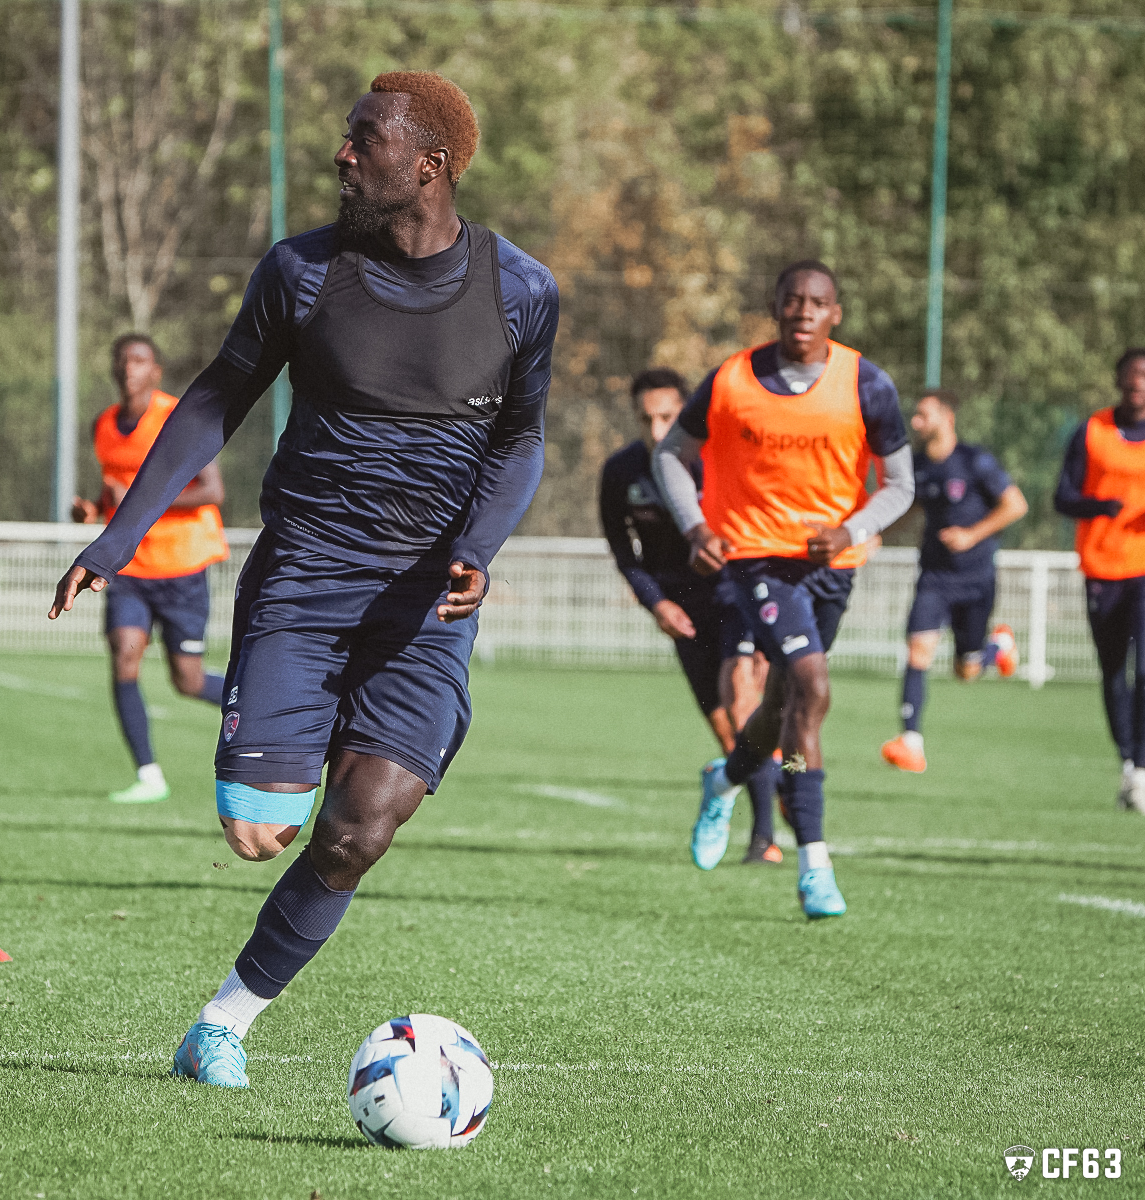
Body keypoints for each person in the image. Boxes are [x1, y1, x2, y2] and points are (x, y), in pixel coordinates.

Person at [49, 71, 557, 1086]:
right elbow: (214, 399)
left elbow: (521, 439)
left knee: (359, 828)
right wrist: (117, 537)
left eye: (363, 138)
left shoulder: (520, 292)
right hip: (304, 582)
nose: (341, 152)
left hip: (421, 606)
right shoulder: (301, 272)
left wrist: (480, 548)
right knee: (257, 830)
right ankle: (304, 727)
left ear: (429, 165)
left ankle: (224, 1023)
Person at [653, 260, 914, 919]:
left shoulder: (867, 383)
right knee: (814, 687)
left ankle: (725, 779)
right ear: (776, 306)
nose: (803, 309)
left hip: (832, 564)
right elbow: (670, 458)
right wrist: (695, 526)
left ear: (836, 313)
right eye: (792, 299)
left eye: (817, 301)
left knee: (779, 709)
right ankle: (815, 867)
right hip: (757, 561)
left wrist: (851, 528)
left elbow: (901, 485)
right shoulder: (731, 381)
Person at [599, 368, 779, 865]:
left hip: (735, 596)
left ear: (687, 414)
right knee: (728, 730)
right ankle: (768, 780)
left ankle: (766, 839)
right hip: (680, 611)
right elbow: (624, 554)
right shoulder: (621, 472)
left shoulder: (718, 459)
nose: (657, 431)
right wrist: (657, 604)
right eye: (646, 419)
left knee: (743, 703)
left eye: (668, 418)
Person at [74, 334, 229, 804]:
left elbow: (212, 492)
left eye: (139, 360)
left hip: (182, 566)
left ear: (155, 370)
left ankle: (275, 711)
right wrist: (95, 510)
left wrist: (143, 503)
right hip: (130, 569)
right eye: (121, 361)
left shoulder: (176, 418)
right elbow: (117, 495)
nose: (129, 369)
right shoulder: (102, 425)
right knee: (124, 654)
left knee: (189, 681)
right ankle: (148, 774)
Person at [879, 389, 1026, 773]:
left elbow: (1016, 505)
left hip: (976, 579)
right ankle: (911, 742)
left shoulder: (975, 461)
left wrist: (972, 535)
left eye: (923, 415)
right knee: (918, 653)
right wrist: (873, 535)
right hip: (934, 576)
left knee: (967, 671)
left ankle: (997, 649)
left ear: (947, 418)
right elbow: (906, 510)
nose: (915, 422)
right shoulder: (917, 465)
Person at [1053, 348, 1145, 813]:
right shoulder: (1092, 431)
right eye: (1132, 375)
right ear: (1118, 380)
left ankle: (1144, 766)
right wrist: (1100, 506)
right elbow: (1063, 498)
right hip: (1104, 566)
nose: (1138, 382)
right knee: (1113, 671)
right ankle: (1128, 763)